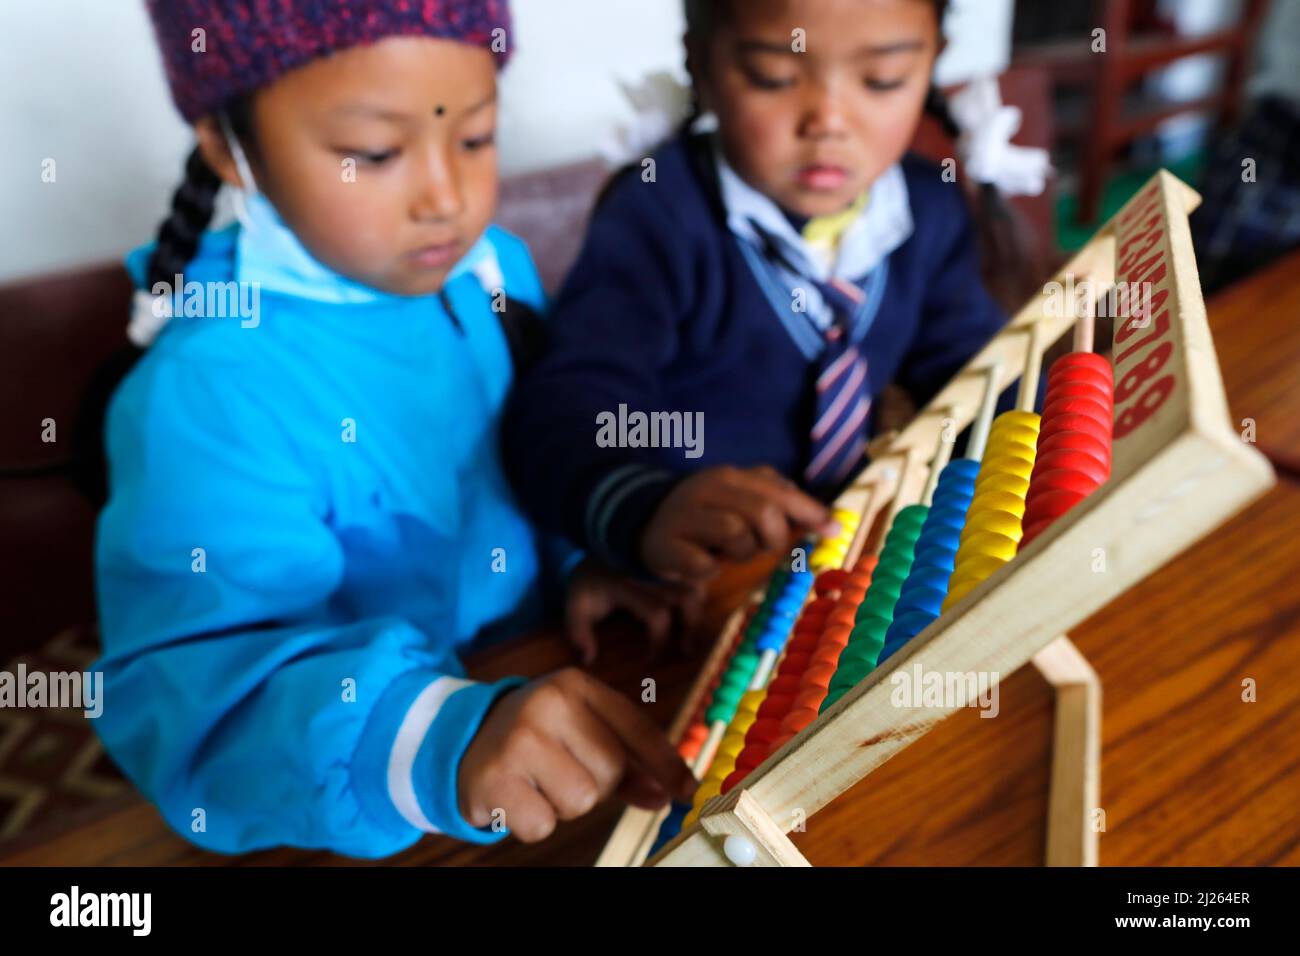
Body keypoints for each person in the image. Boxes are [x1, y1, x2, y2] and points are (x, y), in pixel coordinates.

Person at [94, 0, 695, 859]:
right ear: (232, 148)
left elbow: (532, 447)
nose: (447, 199)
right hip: (351, 821)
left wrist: (582, 556)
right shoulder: (207, 393)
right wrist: (435, 743)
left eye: (477, 137)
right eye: (373, 154)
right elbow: (198, 698)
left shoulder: (489, 276)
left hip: (553, 721)